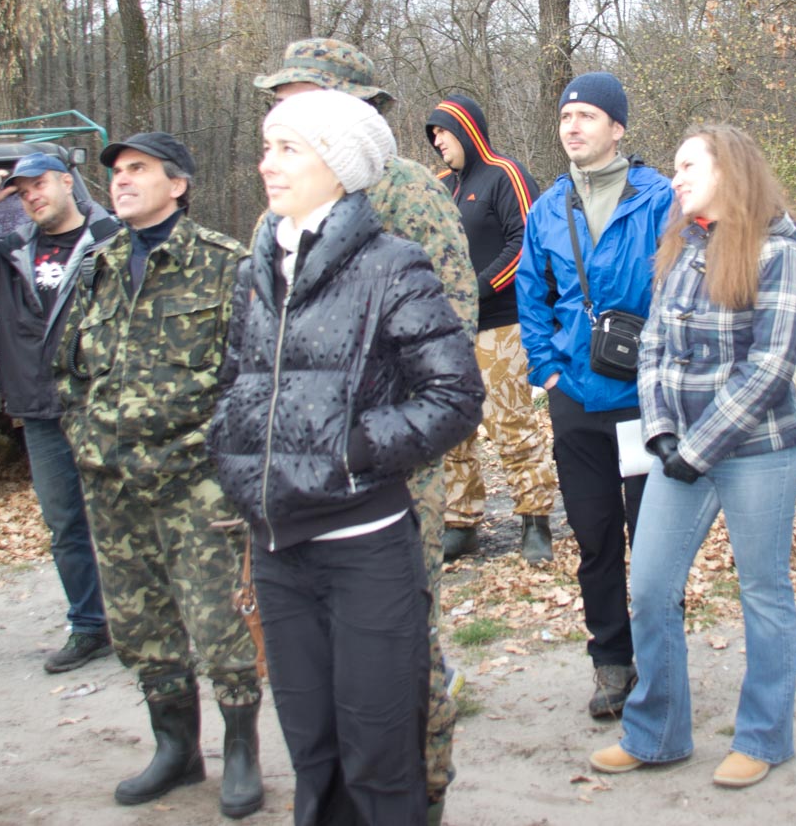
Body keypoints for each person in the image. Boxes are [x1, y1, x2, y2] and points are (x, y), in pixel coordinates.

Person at [208, 89, 484, 826]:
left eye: (287, 148)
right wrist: (234, 453)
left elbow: (455, 395)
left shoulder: (391, 265)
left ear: (337, 164)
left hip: (365, 552)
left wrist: (350, 450)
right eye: (266, 147)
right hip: (278, 554)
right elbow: (234, 382)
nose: (267, 164)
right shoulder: (255, 269)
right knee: (315, 760)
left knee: (379, 763)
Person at [587, 125, 796, 790]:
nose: (676, 177)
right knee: (651, 586)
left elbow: (769, 367)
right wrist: (659, 431)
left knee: (763, 592)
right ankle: (656, 732)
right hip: (677, 450)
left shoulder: (779, 250)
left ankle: (764, 735)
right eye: (676, 167)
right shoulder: (683, 245)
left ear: (730, 170)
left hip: (759, 451)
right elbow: (652, 345)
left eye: (689, 166)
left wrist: (697, 447)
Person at [54, 131, 262, 817]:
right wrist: (87, 439)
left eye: (138, 169)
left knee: (219, 620)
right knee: (140, 623)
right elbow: (68, 368)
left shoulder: (225, 264)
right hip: (113, 482)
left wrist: (211, 456)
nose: (121, 179)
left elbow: (251, 377)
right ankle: (175, 749)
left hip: (196, 482)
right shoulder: (99, 265)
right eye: (117, 170)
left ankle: (241, 750)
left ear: (178, 184)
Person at [516, 71, 673, 719]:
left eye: (586, 115)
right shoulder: (548, 208)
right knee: (595, 536)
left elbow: (684, 288)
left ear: (618, 127)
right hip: (576, 399)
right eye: (565, 116)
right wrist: (549, 371)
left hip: (643, 401)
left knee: (654, 541)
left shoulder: (661, 198)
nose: (572, 126)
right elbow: (531, 294)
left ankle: (662, 662)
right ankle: (611, 661)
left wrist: (666, 369)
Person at [0, 151, 122, 673]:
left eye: (40, 184)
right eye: (23, 191)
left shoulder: (113, 239)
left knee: (126, 515)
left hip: (105, 401)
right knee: (65, 524)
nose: (32, 196)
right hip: (41, 407)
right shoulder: (8, 252)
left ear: (67, 183)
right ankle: (89, 626)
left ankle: (150, 621)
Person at [426, 94, 557, 563]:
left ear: (465, 129)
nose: (437, 141)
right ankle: (460, 522)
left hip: (500, 324)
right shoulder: (439, 186)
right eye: (433, 135)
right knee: (452, 429)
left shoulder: (506, 174)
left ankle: (535, 520)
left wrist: (475, 289)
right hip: (447, 332)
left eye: (443, 131)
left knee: (511, 424)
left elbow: (526, 242)